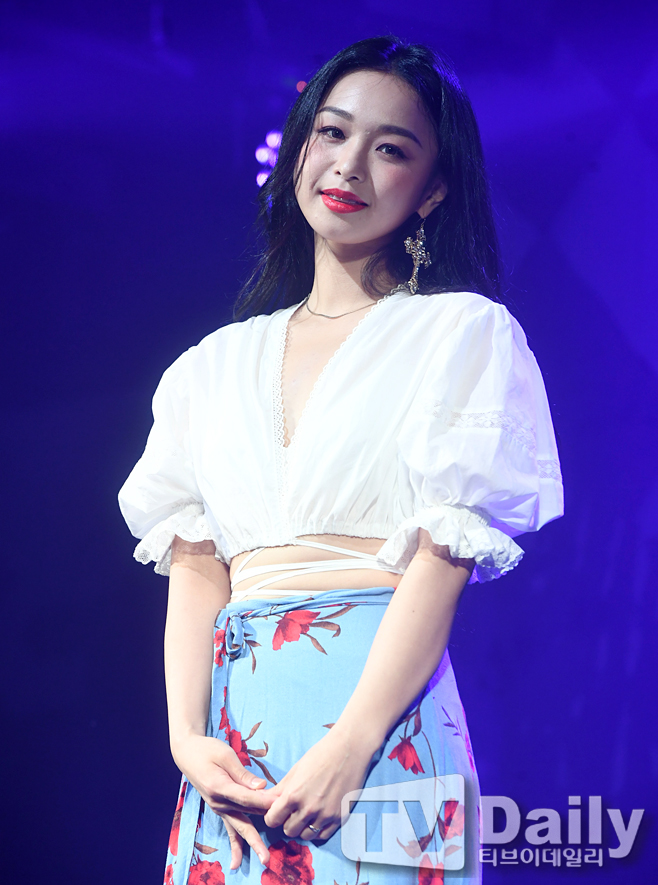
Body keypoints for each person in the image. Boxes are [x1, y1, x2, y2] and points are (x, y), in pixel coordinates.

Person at [118, 35, 563, 885]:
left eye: (390, 148)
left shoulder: (460, 333)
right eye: (332, 132)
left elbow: (443, 557)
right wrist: (187, 739)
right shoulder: (209, 366)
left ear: (433, 189)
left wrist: (353, 743)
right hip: (234, 752)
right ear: (299, 148)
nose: (349, 164)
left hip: (382, 728)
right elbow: (197, 563)